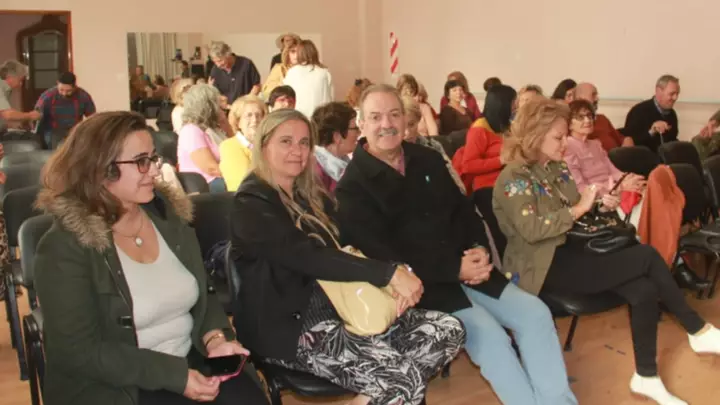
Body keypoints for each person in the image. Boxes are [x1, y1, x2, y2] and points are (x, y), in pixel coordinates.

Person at [336, 84, 577, 405]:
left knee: (536, 314)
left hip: (471, 269)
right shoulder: (352, 189)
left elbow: (464, 211)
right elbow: (384, 258)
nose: (387, 124)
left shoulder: (427, 158)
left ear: (405, 120)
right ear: (361, 123)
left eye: (394, 114)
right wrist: (454, 268)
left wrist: (479, 248)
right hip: (423, 288)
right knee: (490, 337)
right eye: (376, 117)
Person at [493, 97, 720, 405]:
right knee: (646, 256)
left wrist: (599, 204)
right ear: (534, 136)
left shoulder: (556, 168)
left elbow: (576, 209)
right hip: (543, 265)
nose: (565, 143)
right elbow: (533, 230)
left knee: (643, 289)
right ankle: (696, 328)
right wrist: (579, 209)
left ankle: (647, 376)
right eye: (558, 138)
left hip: (573, 249)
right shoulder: (513, 178)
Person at [231, 108, 465, 405]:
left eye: (304, 143)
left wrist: (397, 271)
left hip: (348, 308)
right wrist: (387, 275)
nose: (297, 151)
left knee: (448, 330)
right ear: (264, 146)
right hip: (293, 327)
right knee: (405, 381)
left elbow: (353, 241)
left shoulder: (308, 195)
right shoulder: (250, 203)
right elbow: (309, 257)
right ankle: (388, 388)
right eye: (286, 141)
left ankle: (370, 396)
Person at [34, 111, 269, 405]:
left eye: (153, 158)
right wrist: (175, 376)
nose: (156, 171)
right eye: (141, 161)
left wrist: (215, 339)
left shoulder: (168, 218)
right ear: (100, 169)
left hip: (189, 358)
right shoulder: (63, 247)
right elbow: (80, 351)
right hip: (117, 384)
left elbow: (203, 295)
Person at [563, 99, 706, 291]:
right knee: (658, 213)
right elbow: (582, 189)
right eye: (580, 117)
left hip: (618, 193)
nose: (587, 120)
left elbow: (614, 172)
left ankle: (671, 268)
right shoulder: (567, 148)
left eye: (589, 116)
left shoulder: (595, 144)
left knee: (660, 208)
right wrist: (619, 187)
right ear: (569, 122)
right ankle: (675, 268)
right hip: (602, 203)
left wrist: (630, 179)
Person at [457, 84, 516, 192]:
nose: (516, 107)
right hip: (489, 186)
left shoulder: (506, 126)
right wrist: (500, 160)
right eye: (513, 103)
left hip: (509, 178)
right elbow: (468, 166)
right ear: (502, 105)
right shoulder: (479, 129)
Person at [403, 97, 465, 193]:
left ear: (418, 121)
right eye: (402, 126)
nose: (407, 132)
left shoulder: (433, 146)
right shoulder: (390, 153)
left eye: (411, 125)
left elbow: (457, 186)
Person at [177, 84, 226, 192]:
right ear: (208, 106)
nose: (220, 106)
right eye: (217, 103)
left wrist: (224, 122)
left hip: (220, 180)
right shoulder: (190, 131)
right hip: (208, 185)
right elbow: (211, 169)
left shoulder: (211, 129)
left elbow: (235, 146)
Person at [34, 71, 96, 146]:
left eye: (68, 91)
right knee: (61, 145)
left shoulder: (83, 96)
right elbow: (37, 114)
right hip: (53, 131)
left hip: (74, 130)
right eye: (61, 90)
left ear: (75, 87)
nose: (64, 93)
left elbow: (92, 116)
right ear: (57, 84)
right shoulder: (48, 96)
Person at [219, 95, 267, 192]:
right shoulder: (230, 147)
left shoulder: (268, 145)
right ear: (238, 122)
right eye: (249, 115)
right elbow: (242, 184)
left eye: (258, 115)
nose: (254, 120)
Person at [310, 102, 360, 193]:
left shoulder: (343, 162)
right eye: (355, 128)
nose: (359, 133)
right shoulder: (315, 173)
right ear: (337, 136)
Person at [624, 75, 680, 153]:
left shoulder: (672, 114)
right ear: (659, 91)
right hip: (644, 158)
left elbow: (672, 140)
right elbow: (630, 143)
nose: (675, 98)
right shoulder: (638, 111)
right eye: (672, 94)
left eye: (677, 94)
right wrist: (651, 132)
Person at [573, 82, 633, 150]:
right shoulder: (576, 124)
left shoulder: (602, 118)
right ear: (580, 98)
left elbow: (623, 139)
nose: (597, 98)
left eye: (596, 95)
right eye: (593, 95)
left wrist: (627, 143)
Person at [283, 39, 333, 118]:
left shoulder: (292, 72)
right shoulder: (325, 72)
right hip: (322, 117)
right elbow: (331, 97)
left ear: (299, 54)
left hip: (299, 117)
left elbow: (286, 94)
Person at [0, 60, 42, 134]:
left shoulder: (6, 88)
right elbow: (8, 115)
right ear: (10, 78)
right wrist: (30, 115)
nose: (21, 84)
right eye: (20, 80)